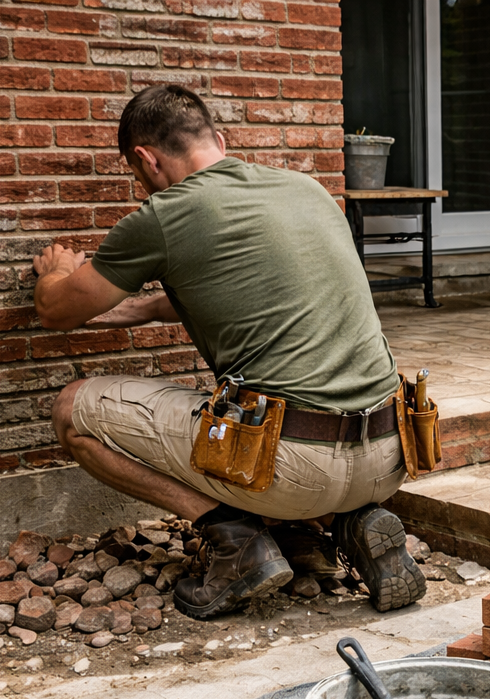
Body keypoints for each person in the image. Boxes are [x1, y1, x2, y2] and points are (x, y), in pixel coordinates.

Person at [32, 84, 426, 619]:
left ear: (145, 160)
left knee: (72, 410)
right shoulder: (307, 191)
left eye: (135, 172)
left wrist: (56, 270)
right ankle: (355, 524)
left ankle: (237, 543)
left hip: (292, 465)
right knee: (256, 405)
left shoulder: (166, 214)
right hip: (390, 454)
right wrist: (147, 309)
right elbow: (249, 286)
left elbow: (58, 311)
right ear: (218, 139)